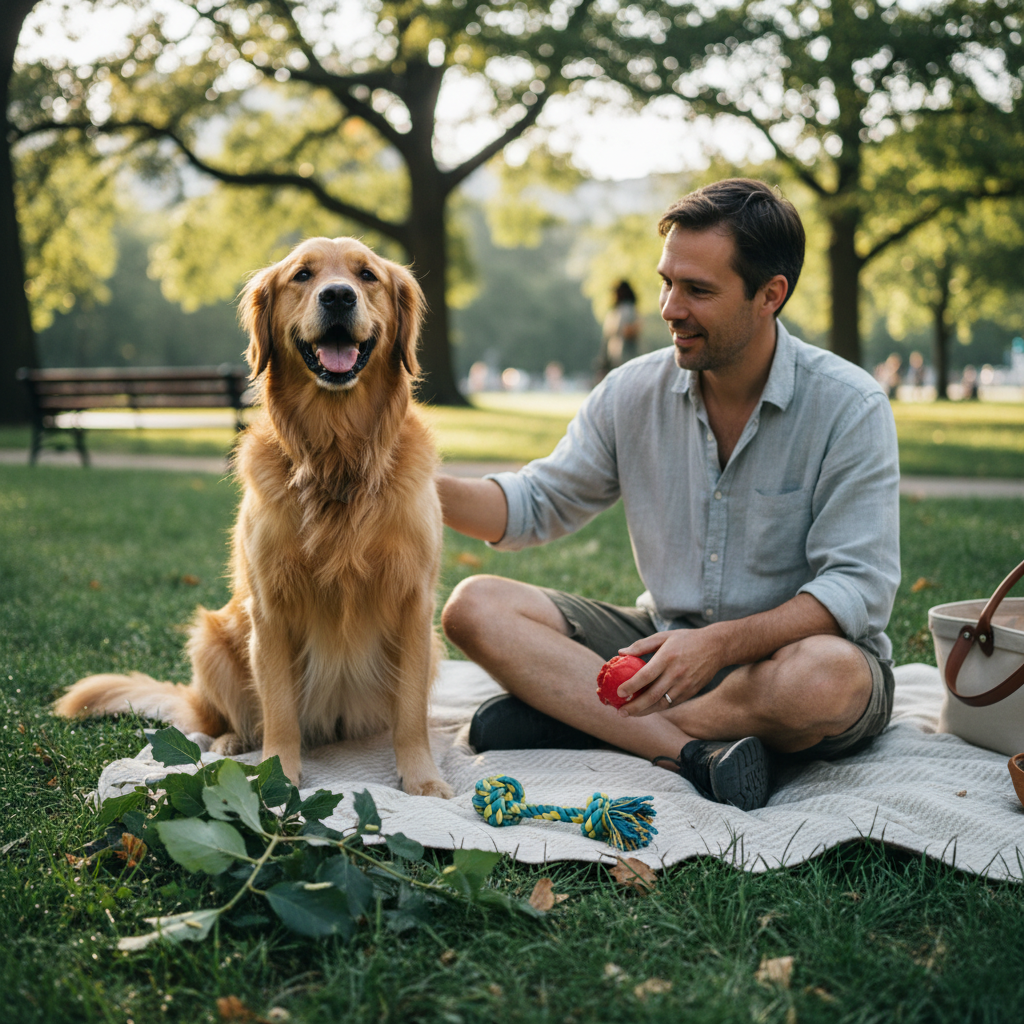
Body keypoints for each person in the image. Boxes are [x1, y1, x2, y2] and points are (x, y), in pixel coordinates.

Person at [437, 179, 900, 812]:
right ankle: (689, 748)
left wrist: (716, 646)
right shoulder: (631, 392)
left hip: (786, 664)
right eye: (667, 282)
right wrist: (407, 487)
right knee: (474, 606)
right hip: (661, 640)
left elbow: (857, 589)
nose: (668, 308)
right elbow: (534, 503)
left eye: (698, 290)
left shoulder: (850, 406)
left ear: (771, 295)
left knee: (828, 679)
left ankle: (590, 723)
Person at [595, 280, 641, 381]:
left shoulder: (629, 309)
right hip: (614, 357)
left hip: (626, 357)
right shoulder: (615, 311)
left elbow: (633, 331)